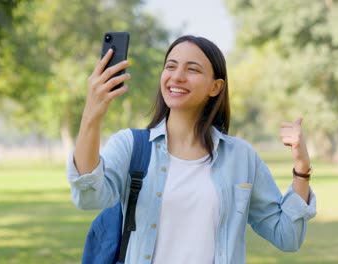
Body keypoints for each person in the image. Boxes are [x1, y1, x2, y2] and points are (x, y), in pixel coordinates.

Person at [67, 35, 316, 264]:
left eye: (192, 69)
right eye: (171, 66)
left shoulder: (241, 157)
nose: (177, 76)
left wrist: (302, 169)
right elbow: (88, 197)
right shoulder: (130, 145)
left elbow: (287, 236)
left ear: (215, 87)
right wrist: (92, 114)